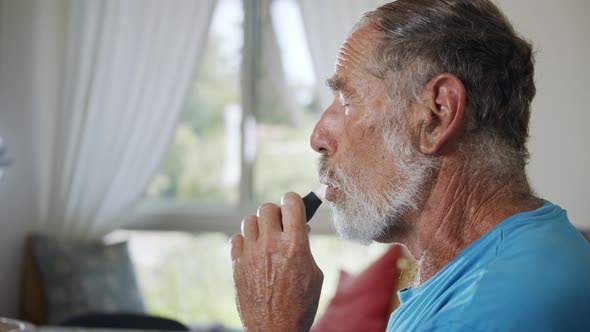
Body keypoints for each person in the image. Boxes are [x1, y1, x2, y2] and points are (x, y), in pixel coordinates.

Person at [230, 0, 590, 331]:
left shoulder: (496, 308)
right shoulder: (518, 257)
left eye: (345, 99)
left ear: (436, 114)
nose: (318, 137)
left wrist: (273, 322)